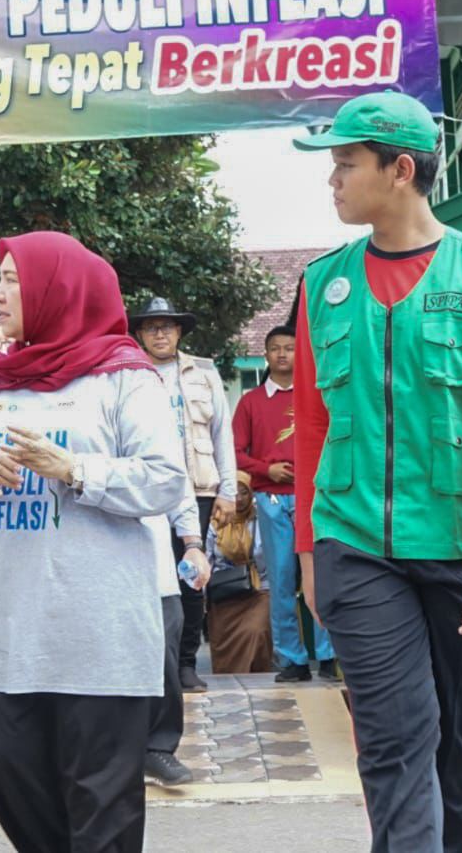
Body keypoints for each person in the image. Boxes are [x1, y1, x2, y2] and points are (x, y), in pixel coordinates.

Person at [292, 92, 462, 853]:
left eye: (345, 164)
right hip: (354, 544)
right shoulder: (321, 285)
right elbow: (313, 428)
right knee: (396, 741)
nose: (332, 180)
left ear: (401, 170)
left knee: (459, 749)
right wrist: (308, 551)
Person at [0, 231, 188, 853]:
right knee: (9, 772)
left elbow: (166, 479)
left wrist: (74, 470)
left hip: (100, 627)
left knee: (101, 796)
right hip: (6, 625)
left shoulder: (124, 376)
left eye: (13, 279)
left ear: (57, 288)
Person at [129, 297, 237, 693]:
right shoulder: (129, 373)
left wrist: (227, 491)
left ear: (179, 332)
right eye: (152, 327)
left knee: (192, 576)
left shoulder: (203, 374)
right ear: (140, 333)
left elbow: (221, 432)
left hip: (198, 488)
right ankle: (155, 664)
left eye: (168, 326)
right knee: (150, 574)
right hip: (146, 490)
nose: (160, 333)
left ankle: (186, 664)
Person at [232, 324, 336, 683]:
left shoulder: (317, 396)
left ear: (300, 353)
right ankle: (291, 658)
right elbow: (234, 452)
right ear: (266, 355)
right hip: (271, 498)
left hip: (315, 498)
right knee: (280, 580)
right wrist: (266, 469)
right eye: (275, 348)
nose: (282, 354)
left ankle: (328, 654)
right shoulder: (250, 402)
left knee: (320, 576)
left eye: (289, 348)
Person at [142, 488, 208, 787]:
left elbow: (177, 488)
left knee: (166, 654)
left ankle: (158, 748)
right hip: (96, 573)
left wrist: (193, 544)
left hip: (157, 573)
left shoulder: (160, 440)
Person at [204, 495, 276, 675]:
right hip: (224, 592)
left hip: (260, 588)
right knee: (223, 641)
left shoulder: (261, 520)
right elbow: (207, 560)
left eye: (244, 492)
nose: (239, 499)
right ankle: (227, 679)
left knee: (256, 631)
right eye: (234, 493)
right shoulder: (214, 523)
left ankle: (258, 676)